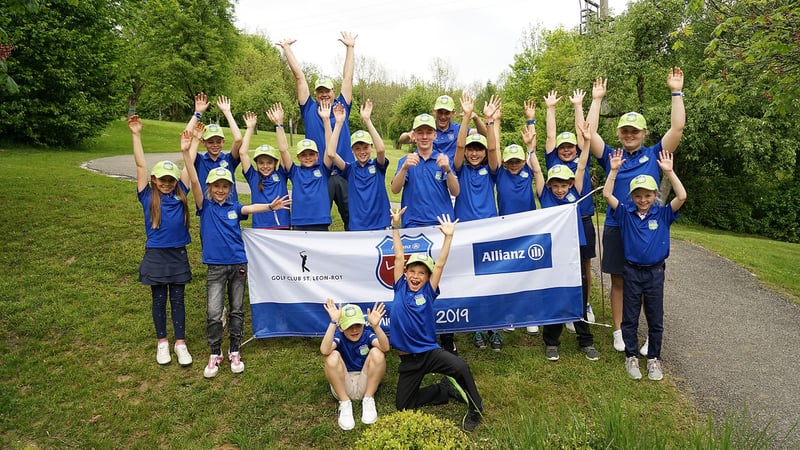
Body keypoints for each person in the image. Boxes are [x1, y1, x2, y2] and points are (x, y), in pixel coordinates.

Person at [586, 68, 685, 352]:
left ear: (643, 133)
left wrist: (676, 93)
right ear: (619, 133)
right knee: (619, 280)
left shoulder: (655, 154)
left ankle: (647, 334)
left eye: (634, 131)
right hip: (618, 226)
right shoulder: (611, 156)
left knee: (644, 285)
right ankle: (619, 331)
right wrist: (596, 100)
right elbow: (588, 133)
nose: (629, 135)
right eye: (624, 131)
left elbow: (677, 129)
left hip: (645, 228)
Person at [181, 123, 291, 379]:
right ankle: (214, 352)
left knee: (237, 310)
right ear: (210, 188)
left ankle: (234, 350)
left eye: (225, 186)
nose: (221, 190)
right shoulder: (204, 206)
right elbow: (194, 180)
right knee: (213, 311)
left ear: (230, 188)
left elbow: (249, 209)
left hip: (238, 264)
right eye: (216, 186)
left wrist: (269, 206)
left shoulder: (234, 206)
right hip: (215, 267)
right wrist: (187, 153)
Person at [388, 207, 484, 432]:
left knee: (460, 367)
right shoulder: (399, 287)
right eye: (412, 271)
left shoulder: (428, 292)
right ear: (405, 273)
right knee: (404, 406)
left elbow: (439, 263)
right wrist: (395, 227)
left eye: (422, 273)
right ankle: (443, 390)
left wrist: (448, 236)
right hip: (408, 361)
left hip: (429, 353)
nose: (415, 276)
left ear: (428, 277)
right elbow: (399, 255)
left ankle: (476, 407)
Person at [603, 149, 687, 381]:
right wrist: (614, 170)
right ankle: (631, 356)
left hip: (655, 272)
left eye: (648, 195)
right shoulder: (625, 214)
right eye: (638, 196)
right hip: (631, 270)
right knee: (630, 316)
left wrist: (669, 173)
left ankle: (653, 359)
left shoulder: (662, 214)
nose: (643, 200)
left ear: (655, 195)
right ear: (631, 197)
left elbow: (681, 197)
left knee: (654, 316)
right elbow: (607, 195)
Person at [527, 121, 600, 362]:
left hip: (573, 251)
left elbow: (580, 167)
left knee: (578, 293)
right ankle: (551, 341)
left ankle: (585, 340)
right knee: (555, 295)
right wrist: (530, 149)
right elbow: (537, 170)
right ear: (549, 185)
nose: (559, 190)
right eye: (555, 185)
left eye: (563, 185)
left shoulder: (575, 191)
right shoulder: (545, 193)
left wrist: (587, 141)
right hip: (553, 253)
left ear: (570, 184)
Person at [391, 112, 460, 354]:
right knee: (416, 284)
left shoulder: (443, 158)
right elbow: (395, 188)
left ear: (434, 134)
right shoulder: (407, 159)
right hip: (413, 230)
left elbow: (456, 190)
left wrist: (448, 169)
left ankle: (447, 337)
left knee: (442, 280)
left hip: (441, 227)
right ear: (414, 134)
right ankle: (414, 336)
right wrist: (404, 168)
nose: (423, 136)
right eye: (419, 132)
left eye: (428, 132)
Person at [128, 115, 193, 367]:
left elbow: (189, 165)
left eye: (170, 180)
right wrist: (136, 135)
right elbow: (141, 166)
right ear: (155, 180)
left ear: (175, 182)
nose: (166, 183)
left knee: (178, 300)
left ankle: (180, 344)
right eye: (162, 179)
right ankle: (162, 343)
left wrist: (192, 142)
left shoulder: (181, 194)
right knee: (159, 300)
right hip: (156, 255)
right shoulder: (147, 196)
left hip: (178, 255)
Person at [278, 32, 357, 230]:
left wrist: (350, 48)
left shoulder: (341, 107)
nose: (324, 94)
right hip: (319, 175)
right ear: (316, 93)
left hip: (345, 171)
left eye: (327, 91)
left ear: (332, 92)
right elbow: (299, 78)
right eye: (320, 91)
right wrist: (287, 49)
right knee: (316, 224)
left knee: (354, 221)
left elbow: (348, 78)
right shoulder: (309, 108)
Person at [544, 88, 601, 333]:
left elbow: (584, 135)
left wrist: (579, 105)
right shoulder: (553, 164)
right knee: (559, 265)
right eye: (562, 147)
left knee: (583, 265)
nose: (566, 150)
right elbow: (549, 136)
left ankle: (583, 305)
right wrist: (551, 109)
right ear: (557, 150)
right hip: (559, 224)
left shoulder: (580, 162)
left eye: (570, 147)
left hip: (583, 218)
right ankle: (561, 308)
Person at [451, 93, 503, 351]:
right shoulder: (458, 167)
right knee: (471, 278)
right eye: (472, 149)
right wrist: (466, 118)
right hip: (464, 229)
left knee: (490, 277)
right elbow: (458, 148)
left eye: (478, 149)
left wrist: (490, 121)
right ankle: (478, 326)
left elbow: (494, 148)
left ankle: (494, 326)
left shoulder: (491, 168)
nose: (474, 153)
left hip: (488, 229)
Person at [492, 102, 539, 335]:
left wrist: (531, 121)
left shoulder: (528, 170)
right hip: (506, 229)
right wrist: (496, 121)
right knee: (508, 271)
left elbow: (532, 150)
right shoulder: (500, 172)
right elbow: (496, 146)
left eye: (516, 161)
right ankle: (509, 314)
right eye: (509, 161)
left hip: (528, 228)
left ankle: (530, 314)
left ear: (522, 161)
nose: (513, 164)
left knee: (528, 271)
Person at [320, 300, 390, 430]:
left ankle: (369, 399)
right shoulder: (339, 336)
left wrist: (376, 326)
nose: (354, 330)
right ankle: (344, 403)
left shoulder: (367, 334)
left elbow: (385, 348)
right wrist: (333, 322)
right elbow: (324, 351)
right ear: (341, 327)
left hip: (366, 383)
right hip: (343, 384)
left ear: (363, 325)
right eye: (349, 326)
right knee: (331, 357)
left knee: (377, 352)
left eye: (358, 325)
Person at [324, 99, 391, 231]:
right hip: (358, 226)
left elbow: (381, 149)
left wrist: (367, 120)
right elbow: (331, 153)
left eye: (365, 147)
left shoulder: (378, 166)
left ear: (371, 147)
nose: (362, 152)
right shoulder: (349, 169)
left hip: (380, 224)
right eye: (358, 148)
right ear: (352, 150)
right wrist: (338, 124)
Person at [276, 101, 337, 231]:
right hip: (300, 223)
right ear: (298, 157)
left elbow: (330, 147)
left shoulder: (323, 169)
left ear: (317, 156)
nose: (308, 157)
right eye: (304, 155)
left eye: (311, 154)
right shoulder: (295, 172)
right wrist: (279, 125)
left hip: (321, 222)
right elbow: (283, 150)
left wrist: (326, 120)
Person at [184, 93, 244, 202]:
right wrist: (197, 114)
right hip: (208, 210)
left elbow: (239, 139)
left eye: (218, 141)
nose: (215, 145)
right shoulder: (199, 161)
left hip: (229, 209)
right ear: (204, 143)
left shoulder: (229, 159)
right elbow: (186, 139)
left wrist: (227, 112)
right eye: (211, 142)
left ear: (223, 142)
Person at [239, 109, 291, 229]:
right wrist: (250, 129)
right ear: (256, 164)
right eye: (261, 163)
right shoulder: (253, 177)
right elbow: (242, 153)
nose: (265, 166)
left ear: (275, 163)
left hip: (282, 226)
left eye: (269, 162)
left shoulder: (281, 175)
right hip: (261, 230)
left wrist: (279, 125)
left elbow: (283, 149)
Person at [398, 94, 488, 162]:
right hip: (431, 174)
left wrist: (476, 118)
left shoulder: (459, 130)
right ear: (434, 112)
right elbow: (402, 139)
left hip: (451, 175)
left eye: (447, 113)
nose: (443, 116)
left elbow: (484, 135)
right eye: (440, 112)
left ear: (453, 113)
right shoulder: (428, 129)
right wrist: (409, 135)